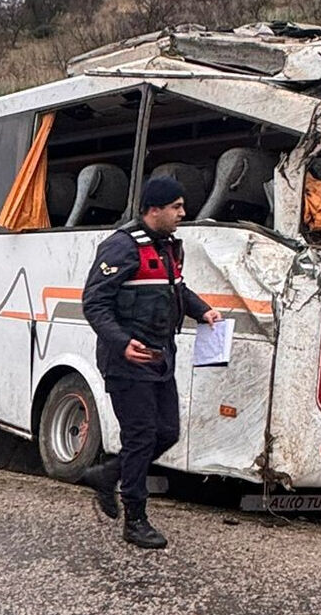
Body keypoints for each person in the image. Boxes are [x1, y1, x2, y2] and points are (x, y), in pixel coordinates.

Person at [81, 174, 221, 549]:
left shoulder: (169, 247)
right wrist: (123, 342)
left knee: (167, 432)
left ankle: (108, 473)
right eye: (176, 207)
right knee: (141, 436)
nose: (183, 213)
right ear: (153, 209)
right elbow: (94, 303)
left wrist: (202, 310)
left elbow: (177, 289)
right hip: (126, 360)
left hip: (160, 358)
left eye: (182, 206)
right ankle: (135, 520)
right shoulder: (121, 248)